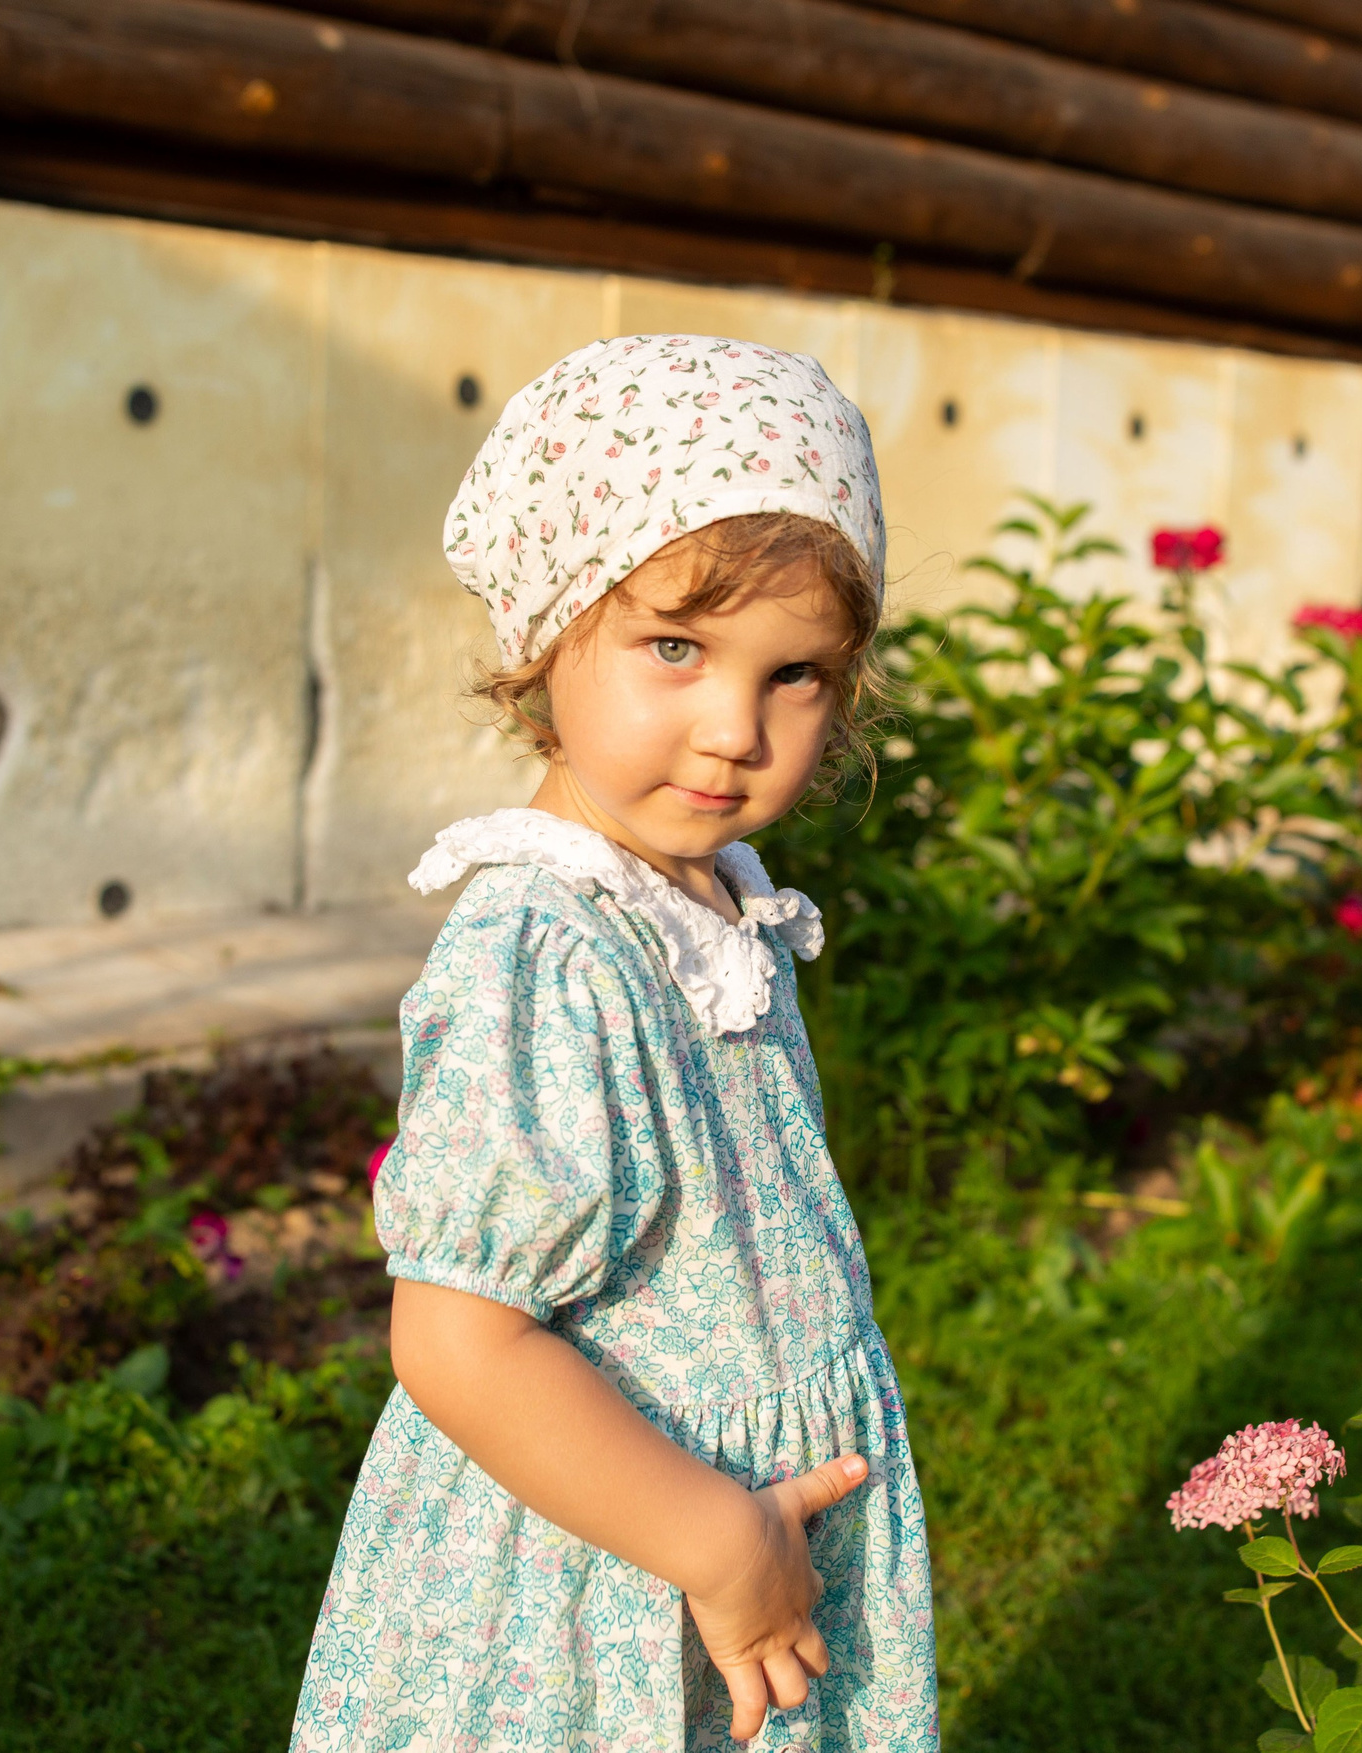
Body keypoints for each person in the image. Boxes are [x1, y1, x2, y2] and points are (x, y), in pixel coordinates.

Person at [293, 335, 938, 1752]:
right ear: (548, 626)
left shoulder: (711, 906)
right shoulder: (552, 950)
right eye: (676, 647)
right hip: (609, 1570)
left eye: (797, 674)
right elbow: (460, 1340)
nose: (733, 729)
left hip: (738, 1528)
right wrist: (714, 1540)